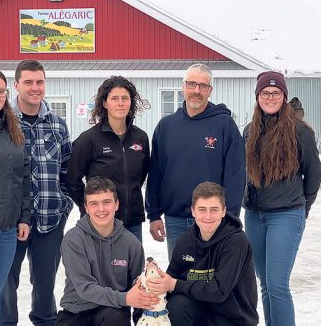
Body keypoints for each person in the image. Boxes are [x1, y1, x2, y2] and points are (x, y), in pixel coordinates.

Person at [243, 71, 321, 326]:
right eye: (265, 93)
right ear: (258, 97)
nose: (270, 98)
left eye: (276, 93)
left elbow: (314, 173)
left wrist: (302, 207)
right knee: (265, 284)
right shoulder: (250, 130)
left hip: (286, 214)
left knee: (277, 284)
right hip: (255, 215)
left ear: (284, 97)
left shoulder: (300, 131)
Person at [146, 63, 245, 259]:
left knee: (211, 280)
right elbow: (156, 173)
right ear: (183, 87)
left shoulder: (225, 126)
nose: (196, 91)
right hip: (176, 220)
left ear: (210, 90)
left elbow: (235, 176)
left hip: (213, 220)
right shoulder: (166, 127)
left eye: (202, 86)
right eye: (191, 84)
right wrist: (154, 214)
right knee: (180, 279)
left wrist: (230, 219)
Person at [2, 60, 74, 326]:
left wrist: (64, 205)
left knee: (45, 283)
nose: (35, 87)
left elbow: (69, 169)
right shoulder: (2, 123)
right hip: (10, 220)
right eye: (29, 82)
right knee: (5, 283)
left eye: (40, 82)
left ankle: (45, 321)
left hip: (50, 218)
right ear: (17, 85)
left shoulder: (57, 124)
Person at [146, 181, 259, 326]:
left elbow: (219, 291)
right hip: (201, 314)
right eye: (202, 209)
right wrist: (152, 284)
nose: (208, 216)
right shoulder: (185, 241)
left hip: (233, 319)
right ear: (193, 211)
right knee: (177, 305)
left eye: (214, 209)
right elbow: (170, 280)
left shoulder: (236, 241)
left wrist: (174, 284)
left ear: (224, 211)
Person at [56, 176, 159, 326]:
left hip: (112, 313)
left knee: (115, 317)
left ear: (116, 204)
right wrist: (125, 298)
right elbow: (84, 287)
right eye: (94, 203)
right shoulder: (73, 240)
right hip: (76, 313)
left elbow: (138, 287)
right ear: (86, 207)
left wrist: (141, 321)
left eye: (107, 202)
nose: (101, 209)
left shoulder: (132, 243)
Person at [66, 75, 150, 242]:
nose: (120, 103)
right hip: (101, 223)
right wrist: (91, 206)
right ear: (104, 103)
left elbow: (140, 177)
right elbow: (71, 180)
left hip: (132, 222)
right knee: (101, 268)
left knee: (132, 267)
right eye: (114, 98)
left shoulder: (140, 138)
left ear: (131, 103)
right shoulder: (89, 139)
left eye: (125, 98)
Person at [0, 68, 30, 325]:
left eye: (1, 91)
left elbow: (22, 178)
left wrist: (23, 217)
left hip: (7, 230)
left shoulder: (12, 130)